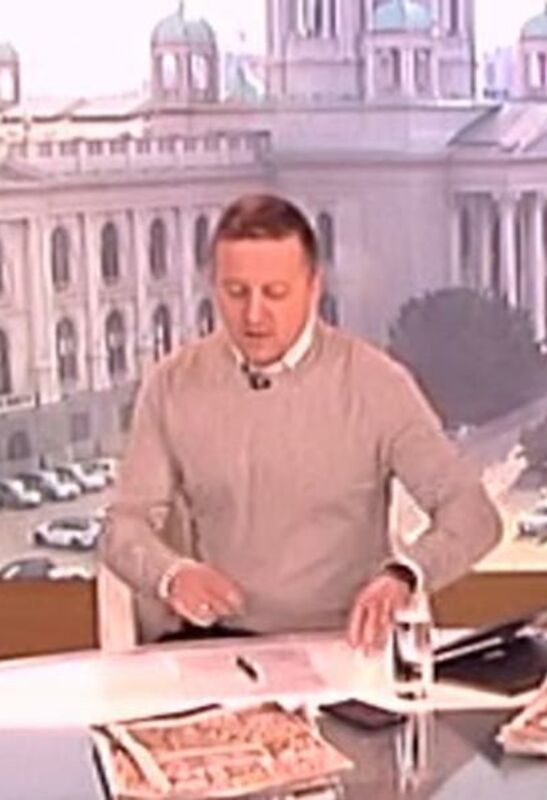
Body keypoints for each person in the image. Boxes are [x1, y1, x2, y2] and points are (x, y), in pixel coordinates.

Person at [100, 193, 502, 650]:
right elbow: (123, 528)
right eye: (236, 292)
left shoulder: (375, 383)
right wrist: (172, 575)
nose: (254, 315)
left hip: (348, 642)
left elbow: (473, 515)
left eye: (275, 293)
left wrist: (404, 575)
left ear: (313, 287)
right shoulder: (173, 384)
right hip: (220, 644)